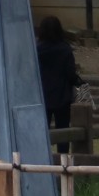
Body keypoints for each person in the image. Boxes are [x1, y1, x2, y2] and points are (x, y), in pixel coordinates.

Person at [36, 16, 81, 154]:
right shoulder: (65, 49)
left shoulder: (37, 49)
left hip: (42, 94)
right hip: (62, 95)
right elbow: (70, 73)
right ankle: (63, 162)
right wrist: (78, 82)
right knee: (63, 130)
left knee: (42, 130)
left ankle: (42, 158)